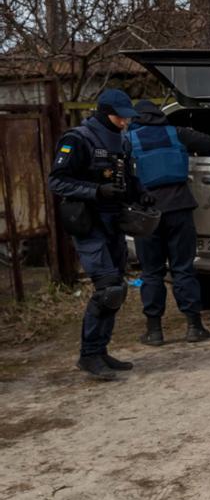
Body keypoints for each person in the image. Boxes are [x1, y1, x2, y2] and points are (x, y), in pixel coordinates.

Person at [48, 88, 148, 380]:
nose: (125, 122)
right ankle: (89, 355)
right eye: (121, 117)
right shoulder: (77, 139)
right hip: (88, 223)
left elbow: (128, 176)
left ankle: (101, 350)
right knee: (108, 289)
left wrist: (141, 195)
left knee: (117, 287)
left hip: (113, 221)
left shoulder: (122, 140)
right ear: (106, 113)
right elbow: (57, 181)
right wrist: (96, 190)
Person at [128, 100, 210, 345]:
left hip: (146, 214)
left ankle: (154, 331)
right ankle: (194, 327)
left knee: (151, 273)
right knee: (183, 268)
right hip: (179, 207)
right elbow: (209, 143)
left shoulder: (128, 140)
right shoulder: (176, 132)